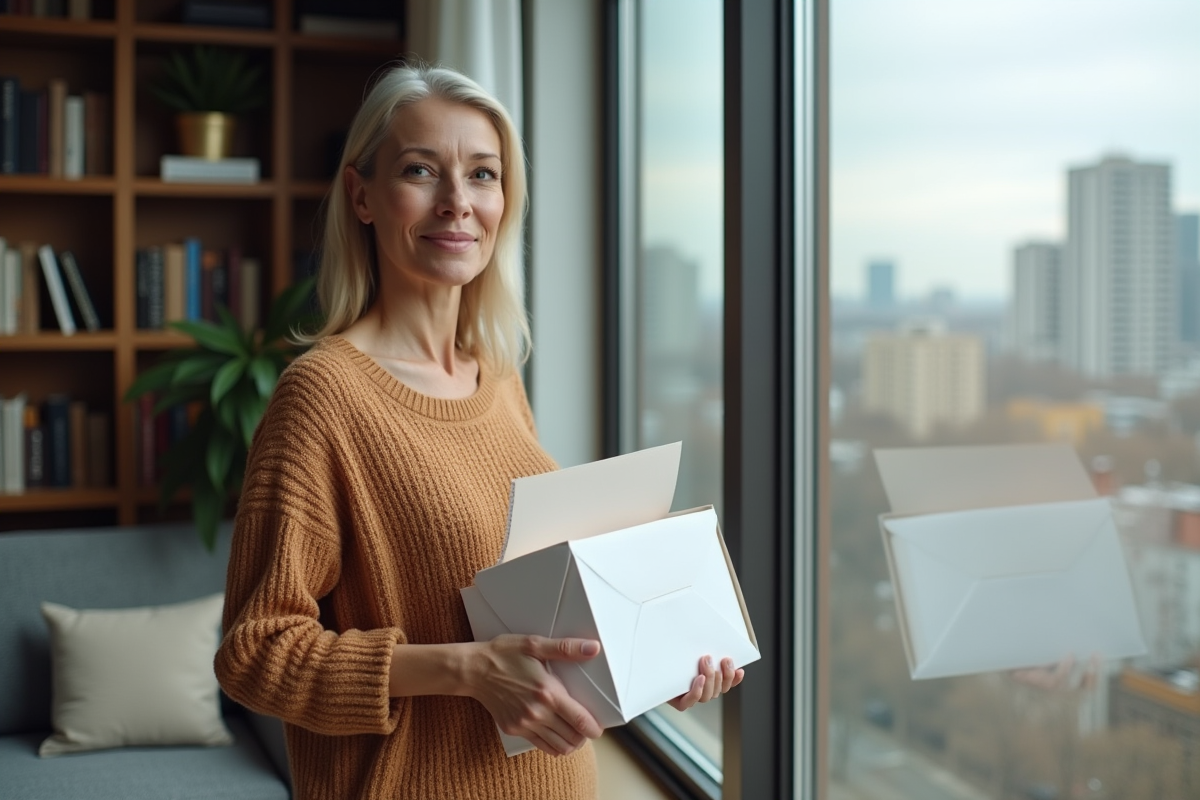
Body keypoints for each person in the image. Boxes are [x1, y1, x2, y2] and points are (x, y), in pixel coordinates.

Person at [214, 63, 744, 800]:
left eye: (484, 175)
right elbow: (254, 654)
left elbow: (533, 618)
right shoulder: (321, 398)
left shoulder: (496, 377)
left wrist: (659, 659)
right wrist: (462, 669)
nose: (458, 203)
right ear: (362, 195)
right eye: (421, 170)